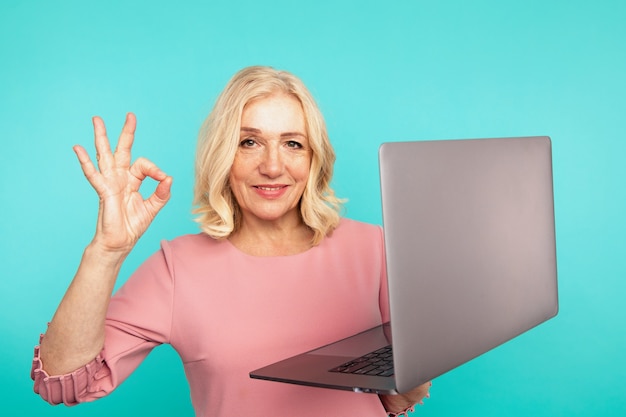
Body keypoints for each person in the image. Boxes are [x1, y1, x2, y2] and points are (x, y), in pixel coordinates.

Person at [31, 66, 431, 416]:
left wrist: (412, 383)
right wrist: (106, 251)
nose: (272, 166)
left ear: (314, 159)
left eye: (293, 143)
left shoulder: (374, 249)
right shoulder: (178, 269)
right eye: (249, 142)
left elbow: (397, 398)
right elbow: (63, 381)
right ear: (222, 156)